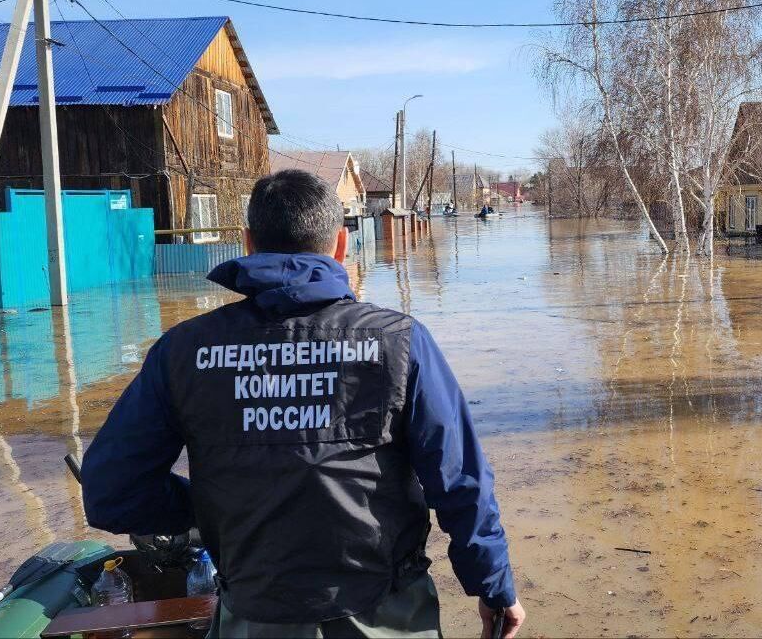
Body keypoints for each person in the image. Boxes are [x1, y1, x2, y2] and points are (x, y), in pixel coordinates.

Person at [81, 169, 525, 639]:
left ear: (248, 243)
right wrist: (493, 586)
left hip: (253, 615)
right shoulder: (399, 343)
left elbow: (111, 490)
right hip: (385, 612)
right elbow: (460, 481)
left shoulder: (184, 351)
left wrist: (206, 507)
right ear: (340, 245)